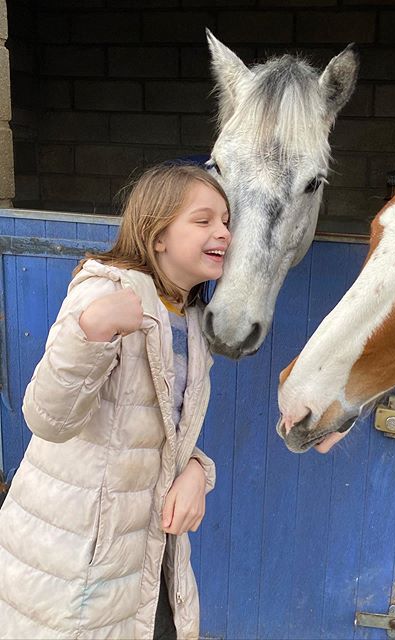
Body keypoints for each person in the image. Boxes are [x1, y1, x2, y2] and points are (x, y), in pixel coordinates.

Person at [0, 163, 231, 639]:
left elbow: (158, 433)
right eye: (204, 220)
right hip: (73, 557)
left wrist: (195, 471)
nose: (223, 233)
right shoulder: (106, 290)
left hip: (142, 556)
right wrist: (91, 331)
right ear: (157, 233)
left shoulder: (191, 318)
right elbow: (48, 419)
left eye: (226, 221)